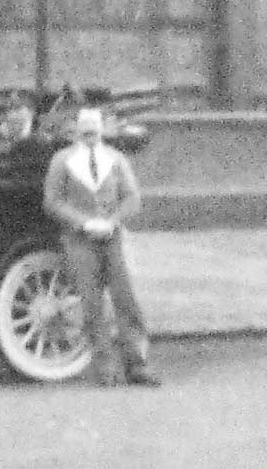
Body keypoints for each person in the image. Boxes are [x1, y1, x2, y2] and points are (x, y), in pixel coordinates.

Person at [42, 107, 160, 387]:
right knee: (91, 303)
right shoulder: (62, 161)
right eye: (84, 128)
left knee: (125, 298)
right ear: (75, 131)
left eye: (94, 128)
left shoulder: (116, 160)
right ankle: (105, 368)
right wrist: (83, 223)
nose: (89, 133)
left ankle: (137, 363)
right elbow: (53, 201)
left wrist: (113, 220)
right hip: (79, 241)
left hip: (112, 238)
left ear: (103, 130)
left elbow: (132, 197)